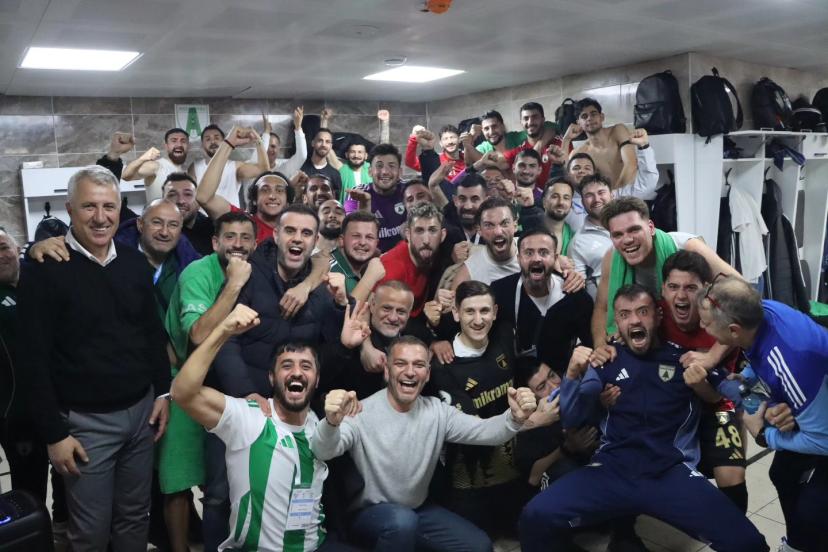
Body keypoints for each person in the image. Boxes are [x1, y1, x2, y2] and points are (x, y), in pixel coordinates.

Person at [519, 284, 769, 552]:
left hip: (670, 472)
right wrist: (572, 375)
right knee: (535, 517)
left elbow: (736, 391)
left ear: (658, 316)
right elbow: (571, 419)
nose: (635, 320)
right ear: (617, 323)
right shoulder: (606, 360)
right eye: (624, 314)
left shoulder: (683, 359)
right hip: (611, 470)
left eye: (643, 311)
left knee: (747, 543)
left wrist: (766, 409)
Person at [17, 165, 171, 551]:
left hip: (141, 415)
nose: (100, 217)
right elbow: (32, 360)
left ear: (121, 210)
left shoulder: (134, 263)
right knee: (90, 531)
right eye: (89, 206)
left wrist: (163, 393)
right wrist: (55, 434)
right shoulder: (44, 269)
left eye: (109, 206)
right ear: (70, 209)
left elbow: (151, 334)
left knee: (135, 516)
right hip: (86, 425)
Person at [310, 334, 539, 552]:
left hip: (417, 511)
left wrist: (514, 417)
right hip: (371, 515)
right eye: (401, 364)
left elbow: (485, 432)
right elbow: (323, 450)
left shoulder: (437, 411)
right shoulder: (361, 412)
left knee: (478, 546)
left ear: (427, 374)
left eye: (419, 365)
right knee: (402, 523)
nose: (410, 372)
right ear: (387, 371)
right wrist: (330, 423)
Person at [170, 303, 363, 551]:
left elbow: (327, 444)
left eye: (306, 366)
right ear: (271, 377)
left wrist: (338, 414)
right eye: (287, 365)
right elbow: (182, 393)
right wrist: (223, 331)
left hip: (316, 546)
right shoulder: (249, 417)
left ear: (316, 381)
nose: (297, 372)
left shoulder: (321, 421)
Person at [697, 275, 828, 552]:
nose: (702, 327)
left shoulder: (793, 365)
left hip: (822, 428)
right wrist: (747, 379)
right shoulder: (764, 310)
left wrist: (763, 436)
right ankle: (798, 543)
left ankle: (802, 543)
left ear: (733, 331)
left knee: (812, 511)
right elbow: (761, 355)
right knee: (782, 473)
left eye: (706, 324)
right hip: (815, 399)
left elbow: (823, 441)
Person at [164, 210, 257, 552]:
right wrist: (233, 284)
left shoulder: (259, 269)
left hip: (228, 385)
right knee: (179, 479)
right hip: (186, 381)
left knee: (222, 480)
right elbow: (199, 334)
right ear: (215, 241)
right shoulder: (198, 273)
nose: (238, 244)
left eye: (245, 238)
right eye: (230, 237)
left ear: (256, 243)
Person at [212, 204, 350, 401]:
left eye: (306, 233)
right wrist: (246, 393)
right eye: (290, 231)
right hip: (243, 401)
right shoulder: (247, 275)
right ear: (276, 235)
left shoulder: (322, 288)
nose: (297, 238)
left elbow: (326, 355)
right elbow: (225, 339)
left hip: (295, 404)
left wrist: (340, 306)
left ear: (315, 241)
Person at [431, 281, 532, 538]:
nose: (478, 320)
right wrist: (533, 420)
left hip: (511, 474)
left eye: (485, 311)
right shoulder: (443, 367)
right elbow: (472, 429)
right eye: (470, 311)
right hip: (468, 482)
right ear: (456, 313)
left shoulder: (504, 336)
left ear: (495, 312)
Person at [656, 251, 749, 513]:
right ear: (663, 289)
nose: (681, 296)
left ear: (706, 291)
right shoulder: (653, 314)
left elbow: (720, 397)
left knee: (732, 475)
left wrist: (702, 379)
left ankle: (735, 531)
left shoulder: (724, 325)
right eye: (673, 287)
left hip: (715, 404)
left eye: (690, 288)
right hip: (670, 404)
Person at [592, 196, 738, 349]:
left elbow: (742, 298)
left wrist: (713, 355)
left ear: (650, 228)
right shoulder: (612, 258)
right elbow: (602, 308)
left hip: (700, 337)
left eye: (634, 230)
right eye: (618, 234)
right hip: (656, 340)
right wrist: (600, 346)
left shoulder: (688, 247)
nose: (627, 240)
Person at [490, 229, 592, 374]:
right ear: (519, 258)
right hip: (513, 381)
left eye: (544, 252)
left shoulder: (576, 297)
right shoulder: (500, 291)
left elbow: (592, 346)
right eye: (529, 253)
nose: (536, 258)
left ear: (555, 258)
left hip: (560, 381)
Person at [0, 230, 50, 505]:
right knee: (29, 490)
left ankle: (61, 524)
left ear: (17, 247)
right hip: (17, 414)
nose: (0, 256)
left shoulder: (40, 281)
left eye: (3, 247)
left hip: (62, 404)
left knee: (70, 478)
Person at [196, 126, 295, 245]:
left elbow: (264, 171)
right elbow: (204, 198)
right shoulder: (242, 222)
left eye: (279, 190)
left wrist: (259, 141)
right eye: (265, 190)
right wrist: (228, 143)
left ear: (288, 202)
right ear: (254, 200)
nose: (272, 196)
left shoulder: (296, 232)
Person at [358, 202, 445, 320]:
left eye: (432, 230)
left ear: (442, 235)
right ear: (408, 234)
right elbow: (367, 316)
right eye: (419, 231)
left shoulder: (436, 254)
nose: (426, 240)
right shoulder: (392, 271)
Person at [562, 98, 638, 189]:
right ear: (578, 123)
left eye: (593, 114)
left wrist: (615, 193)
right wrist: (566, 139)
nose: (589, 118)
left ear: (602, 117)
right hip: (606, 195)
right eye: (584, 116)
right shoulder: (581, 152)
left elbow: (631, 164)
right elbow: (568, 177)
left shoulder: (618, 131)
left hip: (632, 191)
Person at [344, 144, 407, 253]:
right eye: (379, 166)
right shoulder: (357, 194)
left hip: (403, 256)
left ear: (400, 172)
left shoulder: (409, 190)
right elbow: (350, 233)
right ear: (370, 171)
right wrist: (364, 206)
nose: (385, 172)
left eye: (391, 166)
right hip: (370, 257)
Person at [191, 124, 269, 207]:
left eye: (217, 138)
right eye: (208, 139)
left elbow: (263, 170)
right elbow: (191, 198)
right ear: (202, 145)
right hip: (202, 215)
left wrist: (258, 140)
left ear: (224, 141)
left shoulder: (235, 166)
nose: (213, 142)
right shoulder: (195, 167)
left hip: (231, 215)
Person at [568, 173, 614, 298]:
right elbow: (578, 291)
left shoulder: (630, 226)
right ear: (582, 202)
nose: (596, 199)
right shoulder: (578, 243)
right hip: (605, 307)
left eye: (601, 192)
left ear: (612, 195)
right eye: (589, 195)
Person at [123, 127, 191, 201]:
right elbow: (126, 176)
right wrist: (142, 159)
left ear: (188, 146)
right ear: (166, 146)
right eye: (174, 141)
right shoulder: (156, 166)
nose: (179, 144)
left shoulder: (187, 173)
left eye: (183, 141)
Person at [161, 172, 215, 255]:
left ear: (198, 201)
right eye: (172, 195)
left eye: (188, 194)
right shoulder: (154, 231)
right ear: (162, 202)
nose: (180, 201)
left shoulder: (213, 227)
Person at [329, 211, 381, 295]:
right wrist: (370, 278)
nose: (363, 242)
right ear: (341, 240)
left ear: (376, 243)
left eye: (369, 237)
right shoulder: (329, 271)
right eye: (356, 236)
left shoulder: (371, 267)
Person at [301, 127, 343, 200]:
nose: (323, 145)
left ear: (331, 146)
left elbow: (335, 202)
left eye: (327, 142)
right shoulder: (301, 169)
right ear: (313, 143)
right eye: (320, 140)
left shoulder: (335, 174)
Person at [541, 179, 575, 256]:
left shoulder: (574, 237)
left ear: (571, 205)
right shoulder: (530, 230)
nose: (561, 202)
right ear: (544, 202)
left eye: (566, 198)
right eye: (555, 197)